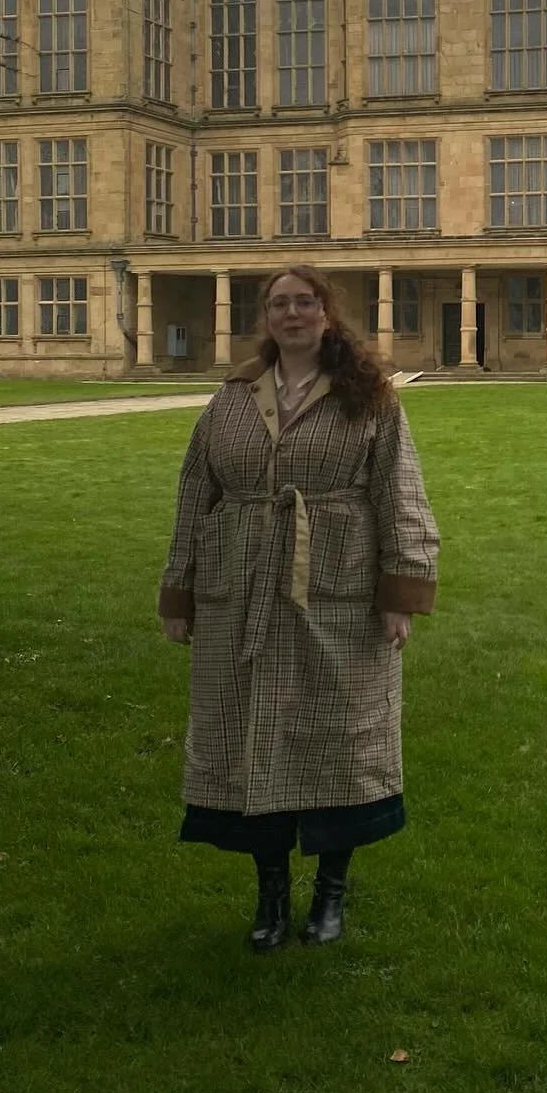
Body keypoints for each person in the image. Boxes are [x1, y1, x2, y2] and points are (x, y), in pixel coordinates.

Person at [158, 265, 440, 952]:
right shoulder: (232, 398)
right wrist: (179, 591)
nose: (292, 313)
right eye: (280, 303)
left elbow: (399, 492)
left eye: (305, 302)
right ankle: (272, 895)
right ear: (266, 317)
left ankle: (331, 893)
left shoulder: (367, 396)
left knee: (340, 739)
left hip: (338, 594)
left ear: (326, 313)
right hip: (239, 591)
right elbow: (195, 493)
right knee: (252, 736)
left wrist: (401, 595)